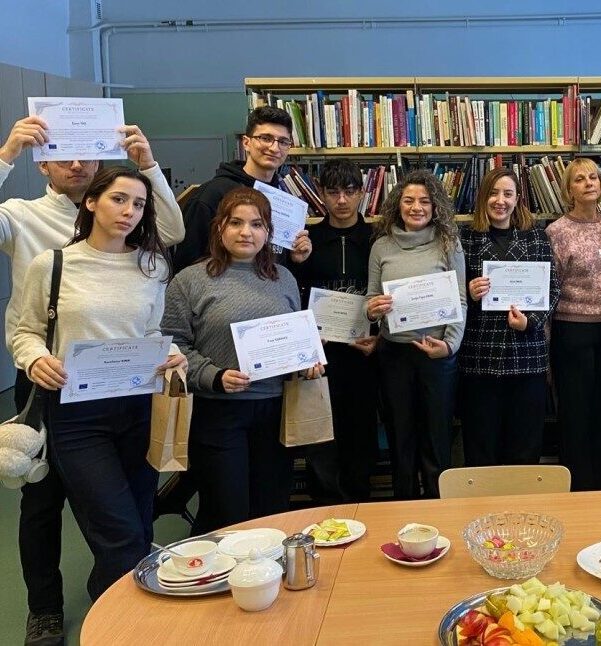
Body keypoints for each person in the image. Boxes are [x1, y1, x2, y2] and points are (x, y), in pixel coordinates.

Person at [0, 116, 184, 646]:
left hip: (137, 405)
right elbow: (28, 330)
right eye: (118, 201)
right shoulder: (46, 256)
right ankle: (62, 612)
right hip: (69, 406)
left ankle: (115, 603)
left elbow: (153, 330)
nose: (128, 212)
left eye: (137, 204)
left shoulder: (151, 265)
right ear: (91, 203)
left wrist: (169, 354)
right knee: (94, 522)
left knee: (136, 523)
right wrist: (34, 357)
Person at [162, 187, 320, 534]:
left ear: (268, 232)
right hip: (218, 413)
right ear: (220, 228)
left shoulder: (285, 279)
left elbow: (296, 339)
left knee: (271, 510)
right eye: (236, 223)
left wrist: (307, 362)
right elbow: (172, 345)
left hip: (276, 411)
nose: (246, 232)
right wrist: (214, 376)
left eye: (257, 224)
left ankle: (267, 583)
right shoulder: (190, 280)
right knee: (226, 513)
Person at [365, 170, 465, 499]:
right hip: (394, 355)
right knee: (400, 439)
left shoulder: (448, 243)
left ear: (435, 207)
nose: (416, 207)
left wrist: (449, 346)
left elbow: (460, 299)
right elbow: (369, 298)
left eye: (424, 201)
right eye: (409, 200)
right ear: (398, 205)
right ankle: (404, 513)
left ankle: (439, 513)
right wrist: (372, 309)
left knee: (436, 441)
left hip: (436, 356)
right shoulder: (381, 246)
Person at [288, 159, 379, 503]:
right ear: (321, 195)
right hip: (318, 360)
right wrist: (296, 264)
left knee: (361, 441)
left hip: (364, 358)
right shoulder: (305, 242)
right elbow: (287, 296)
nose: (342, 200)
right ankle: (324, 516)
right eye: (333, 191)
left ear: (362, 193)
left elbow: (391, 294)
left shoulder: (377, 240)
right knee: (321, 443)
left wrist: (380, 338)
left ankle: (361, 510)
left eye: (350, 191)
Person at [460, 167, 560, 466]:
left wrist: (530, 322)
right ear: (482, 198)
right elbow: (449, 292)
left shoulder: (536, 238)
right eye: (493, 193)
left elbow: (552, 289)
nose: (499, 200)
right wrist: (468, 291)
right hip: (480, 357)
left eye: (507, 193)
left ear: (518, 199)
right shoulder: (463, 239)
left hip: (527, 356)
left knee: (525, 446)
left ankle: (521, 509)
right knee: (481, 446)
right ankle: (481, 509)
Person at [546, 158, 601, 491]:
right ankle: (578, 493)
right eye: (579, 179)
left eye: (593, 177)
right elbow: (549, 294)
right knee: (575, 417)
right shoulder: (556, 232)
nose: (588, 183)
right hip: (570, 333)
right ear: (569, 189)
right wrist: (547, 349)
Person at [172, 106, 311, 269]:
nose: (274, 148)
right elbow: (186, 264)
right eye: (266, 138)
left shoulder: (284, 198)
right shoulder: (212, 194)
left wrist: (294, 258)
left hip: (270, 291)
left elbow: (277, 259)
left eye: (283, 141)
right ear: (246, 143)